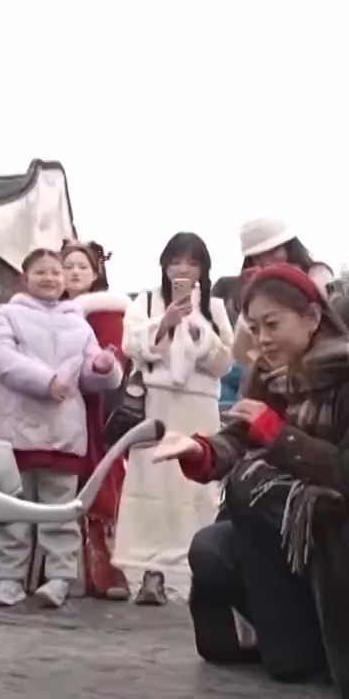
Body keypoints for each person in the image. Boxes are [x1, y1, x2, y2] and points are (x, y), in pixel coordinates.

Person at [153, 264, 349, 699]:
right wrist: (200, 451)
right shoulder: (267, 374)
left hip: (337, 525)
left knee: (252, 493)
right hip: (279, 521)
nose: (262, 339)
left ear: (313, 317)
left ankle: (317, 645)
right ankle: (285, 642)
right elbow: (237, 436)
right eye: (253, 328)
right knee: (211, 546)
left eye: (272, 324)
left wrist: (279, 435)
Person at [0, 248, 123, 609]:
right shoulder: (7, 316)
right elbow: (0, 359)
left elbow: (92, 374)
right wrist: (45, 381)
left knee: (61, 510)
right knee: (12, 510)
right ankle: (9, 578)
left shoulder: (79, 323)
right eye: (41, 272)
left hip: (63, 430)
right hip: (16, 428)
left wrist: (104, 367)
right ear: (24, 278)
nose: (50, 278)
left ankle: (60, 577)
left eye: (56, 273)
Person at [117, 232, 233, 604]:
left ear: (203, 269)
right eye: (177, 261)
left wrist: (198, 330)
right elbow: (130, 345)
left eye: (193, 262)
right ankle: (151, 572)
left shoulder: (214, 307)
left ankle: (196, 569)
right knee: (153, 486)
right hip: (158, 403)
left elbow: (225, 361)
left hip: (199, 406)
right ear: (165, 265)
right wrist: (164, 323)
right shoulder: (146, 301)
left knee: (195, 488)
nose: (183, 269)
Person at [61, 240, 132, 600]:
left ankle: (105, 573)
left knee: (100, 481)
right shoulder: (50, 310)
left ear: (96, 273)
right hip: (57, 404)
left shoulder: (106, 311)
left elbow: (115, 360)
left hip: (96, 408)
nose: (74, 272)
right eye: (68, 265)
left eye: (82, 266)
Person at [238, 217, 318, 273]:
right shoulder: (248, 289)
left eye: (272, 251)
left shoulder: (318, 280)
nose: (266, 262)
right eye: (257, 257)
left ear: (289, 248)